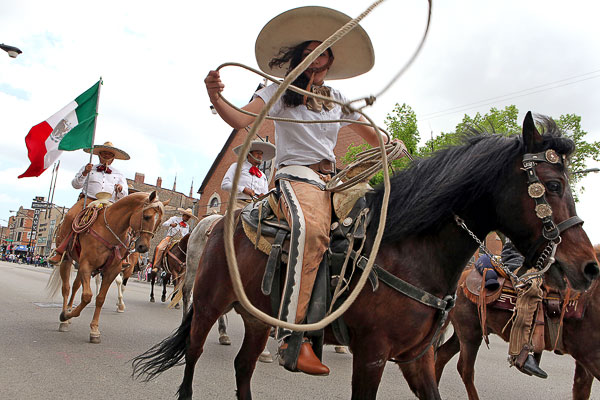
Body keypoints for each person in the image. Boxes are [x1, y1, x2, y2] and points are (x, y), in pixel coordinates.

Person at [205, 6, 407, 375]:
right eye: (311, 62)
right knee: (312, 232)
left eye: (323, 64)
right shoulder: (277, 92)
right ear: (299, 59)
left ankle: (372, 314)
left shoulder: (336, 98)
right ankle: (291, 337)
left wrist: (391, 141)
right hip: (296, 176)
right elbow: (241, 119)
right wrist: (217, 97)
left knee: (382, 219)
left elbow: (368, 131)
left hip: (334, 180)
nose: (317, 71)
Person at [48, 141, 129, 265]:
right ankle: (60, 250)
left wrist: (120, 189)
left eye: (109, 154)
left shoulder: (119, 174)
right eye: (104, 153)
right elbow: (76, 184)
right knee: (70, 216)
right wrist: (85, 172)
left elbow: (125, 194)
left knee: (126, 225)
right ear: (99, 155)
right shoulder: (89, 168)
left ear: (113, 158)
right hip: (88, 200)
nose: (106, 156)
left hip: (109, 204)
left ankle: (122, 256)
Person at [502, 239, 547, 379]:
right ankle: (520, 352)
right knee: (531, 289)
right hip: (516, 257)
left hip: (539, 261)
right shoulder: (523, 217)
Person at [221, 140, 275, 210]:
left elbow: (265, 193)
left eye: (261, 154)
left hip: (256, 207)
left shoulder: (262, 175)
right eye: (257, 153)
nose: (260, 156)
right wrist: (243, 189)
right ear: (249, 154)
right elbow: (225, 185)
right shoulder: (237, 166)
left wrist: (263, 196)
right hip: (238, 205)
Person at [151, 208, 197, 273]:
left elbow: (185, 235)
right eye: (187, 216)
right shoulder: (174, 219)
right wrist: (171, 224)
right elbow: (164, 224)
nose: (187, 218)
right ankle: (156, 266)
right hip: (170, 238)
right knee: (160, 248)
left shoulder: (187, 226)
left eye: (189, 217)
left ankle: (187, 267)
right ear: (183, 215)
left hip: (180, 241)